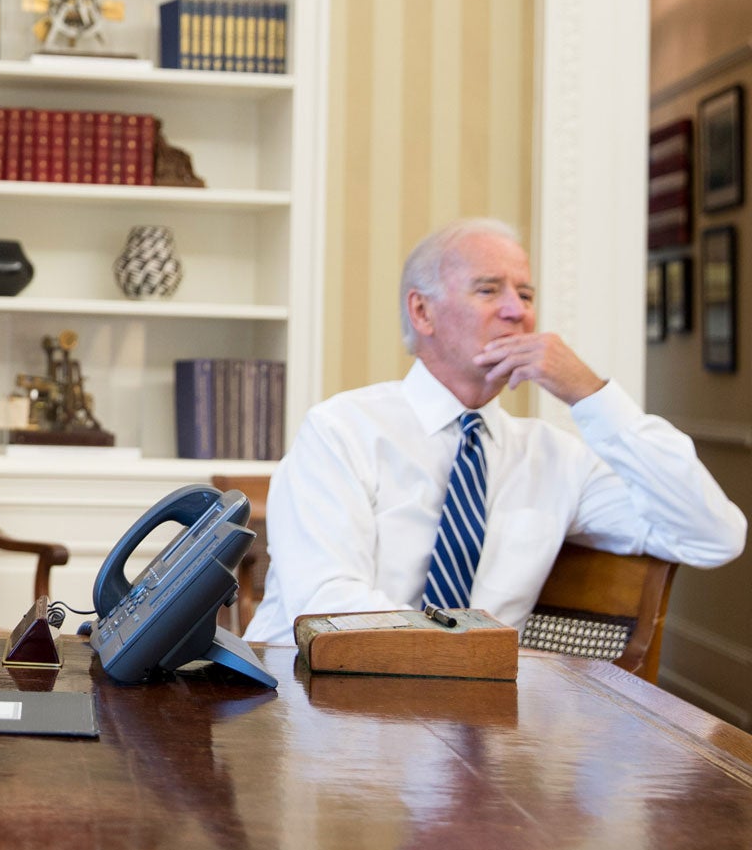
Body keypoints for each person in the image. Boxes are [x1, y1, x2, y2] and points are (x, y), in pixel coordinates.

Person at [245, 218, 744, 644]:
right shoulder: (341, 431)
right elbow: (327, 609)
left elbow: (713, 536)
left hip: (474, 730)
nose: (517, 311)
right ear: (423, 312)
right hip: (313, 706)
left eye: (525, 294)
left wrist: (591, 395)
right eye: (489, 290)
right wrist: (463, 663)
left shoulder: (554, 458)